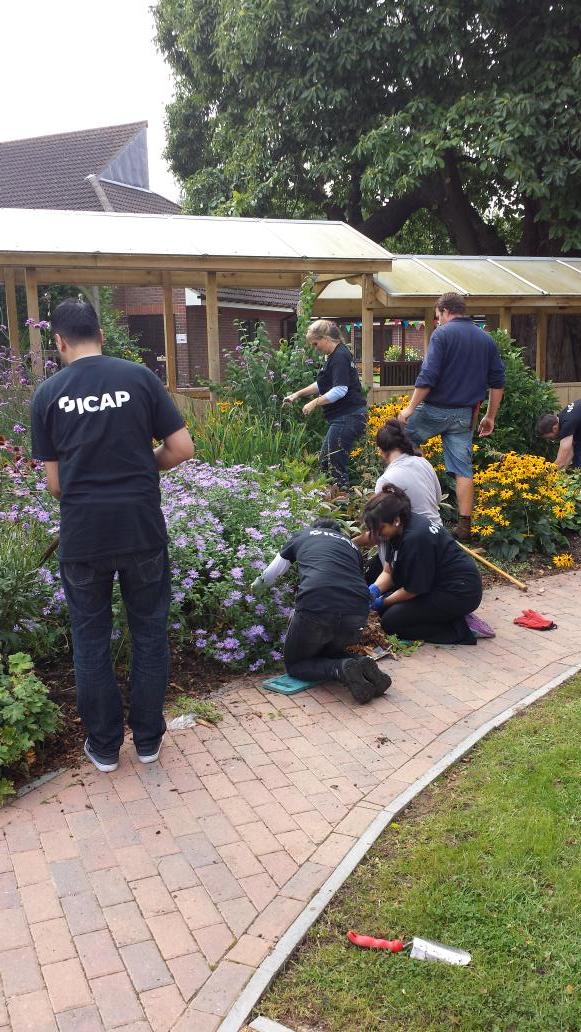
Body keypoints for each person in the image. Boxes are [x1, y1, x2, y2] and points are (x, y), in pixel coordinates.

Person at [31, 298, 194, 773]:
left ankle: (104, 748)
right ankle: (147, 741)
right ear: (100, 333)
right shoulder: (139, 378)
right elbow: (181, 447)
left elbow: (56, 485)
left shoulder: (48, 394)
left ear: (58, 340)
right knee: (148, 632)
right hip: (141, 528)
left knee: (90, 639)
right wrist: (147, 466)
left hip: (83, 536)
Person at [398, 293, 505, 542]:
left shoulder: (442, 334)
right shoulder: (485, 338)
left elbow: (428, 376)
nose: (438, 321)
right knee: (463, 470)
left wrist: (410, 408)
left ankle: (414, 502)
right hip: (464, 415)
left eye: (438, 316)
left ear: (445, 311)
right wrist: (490, 416)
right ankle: (464, 528)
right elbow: (498, 382)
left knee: (401, 436)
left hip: (435, 410)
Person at [251, 518, 391, 704]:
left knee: (297, 665)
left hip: (317, 606)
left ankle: (341, 668)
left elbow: (269, 576)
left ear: (314, 528)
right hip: (357, 612)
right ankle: (359, 663)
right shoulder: (352, 546)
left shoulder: (302, 536)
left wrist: (251, 595)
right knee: (327, 653)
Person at [364, 486, 486, 645]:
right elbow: (388, 571)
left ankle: (459, 629)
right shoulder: (398, 528)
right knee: (386, 611)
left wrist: (381, 602)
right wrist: (373, 591)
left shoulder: (415, 538)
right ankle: (445, 616)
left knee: (391, 623)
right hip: (437, 585)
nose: (376, 534)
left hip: (460, 592)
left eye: (379, 529)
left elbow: (412, 590)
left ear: (396, 520)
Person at [284, 320, 367, 498]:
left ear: (326, 338)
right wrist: (297, 394)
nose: (315, 348)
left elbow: (340, 390)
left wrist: (314, 403)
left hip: (348, 416)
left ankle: (343, 504)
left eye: (316, 343)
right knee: (325, 461)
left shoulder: (339, 357)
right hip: (345, 417)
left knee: (334, 462)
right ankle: (332, 501)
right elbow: (322, 384)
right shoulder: (334, 356)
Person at [537, 400, 581, 468]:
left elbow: (561, 461)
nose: (552, 440)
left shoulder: (567, 424)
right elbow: (570, 451)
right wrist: (562, 472)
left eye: (550, 438)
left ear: (554, 428)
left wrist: (546, 475)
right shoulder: (564, 417)